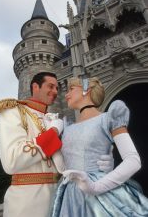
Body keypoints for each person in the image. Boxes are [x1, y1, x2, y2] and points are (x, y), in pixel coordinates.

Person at [0, 72, 113, 217]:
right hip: (28, 204)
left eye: (57, 88)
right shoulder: (14, 111)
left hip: (61, 200)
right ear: (35, 87)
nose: (56, 92)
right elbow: (12, 161)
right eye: (50, 86)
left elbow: (67, 163)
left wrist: (99, 164)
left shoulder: (53, 119)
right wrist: (53, 132)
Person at [51, 76, 148, 217]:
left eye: (71, 89)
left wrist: (96, 186)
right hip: (70, 198)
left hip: (101, 194)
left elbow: (133, 160)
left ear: (86, 89)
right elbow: (63, 168)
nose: (66, 94)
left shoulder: (109, 118)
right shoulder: (67, 127)